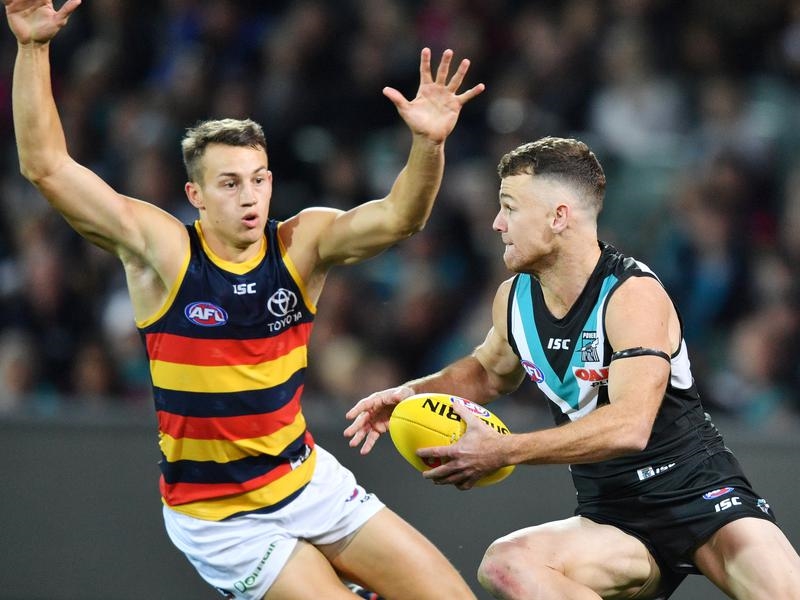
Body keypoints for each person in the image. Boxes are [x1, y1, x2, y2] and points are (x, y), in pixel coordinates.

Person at [4, 1, 485, 599]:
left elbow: (399, 219)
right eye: (230, 184)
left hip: (306, 480)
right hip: (221, 520)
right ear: (196, 195)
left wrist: (428, 145)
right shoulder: (165, 252)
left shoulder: (301, 244)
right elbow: (46, 167)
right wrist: (32, 47)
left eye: (258, 179)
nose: (249, 196)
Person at [345, 136, 800, 599]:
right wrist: (412, 394)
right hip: (614, 518)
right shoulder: (514, 299)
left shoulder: (631, 294)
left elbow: (630, 426)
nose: (497, 223)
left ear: (558, 216)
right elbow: (487, 373)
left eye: (510, 207)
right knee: (506, 565)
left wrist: (505, 450)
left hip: (702, 496)